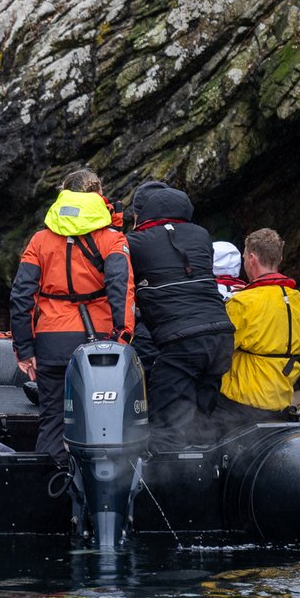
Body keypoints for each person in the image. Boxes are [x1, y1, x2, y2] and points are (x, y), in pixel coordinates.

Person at [10, 169, 134, 459]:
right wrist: (123, 336)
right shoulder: (112, 239)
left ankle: (47, 482)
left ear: (64, 193)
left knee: (52, 421)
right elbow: (121, 289)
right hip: (100, 341)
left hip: (51, 341)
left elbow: (21, 295)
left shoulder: (39, 240)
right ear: (98, 194)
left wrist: (25, 349)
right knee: (102, 423)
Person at [125, 180, 235, 448]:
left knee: (167, 428)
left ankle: (166, 473)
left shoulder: (134, 242)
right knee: (202, 423)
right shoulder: (201, 235)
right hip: (221, 337)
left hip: (182, 343)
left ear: (141, 213)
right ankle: (207, 470)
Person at [215, 228, 300, 429]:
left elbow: (217, 350)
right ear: (279, 258)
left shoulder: (242, 303)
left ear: (252, 259)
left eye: (244, 257)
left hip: (240, 402)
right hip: (280, 401)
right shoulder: (299, 301)